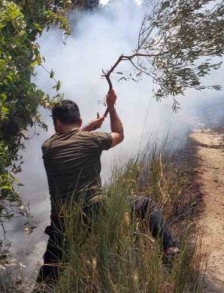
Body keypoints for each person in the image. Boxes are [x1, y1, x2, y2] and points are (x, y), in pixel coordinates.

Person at [36, 89, 179, 284]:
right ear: (78, 122)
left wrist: (88, 127)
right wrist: (111, 107)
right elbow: (119, 133)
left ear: (57, 124)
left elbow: (69, 138)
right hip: (95, 210)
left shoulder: (48, 147)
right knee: (145, 205)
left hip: (63, 222)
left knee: (49, 277)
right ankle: (170, 249)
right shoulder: (93, 140)